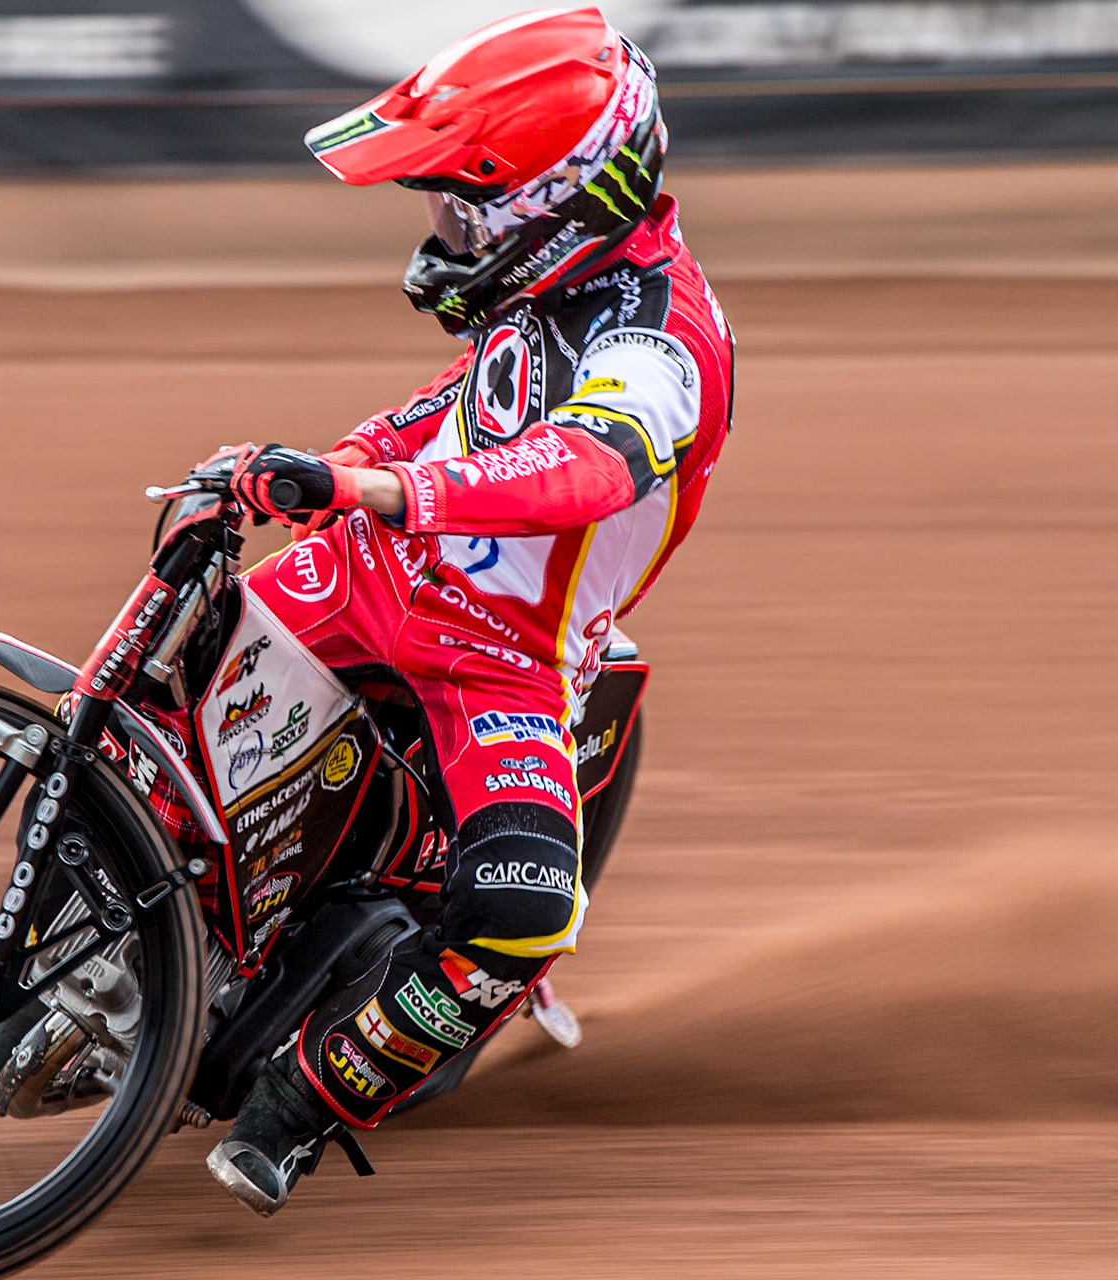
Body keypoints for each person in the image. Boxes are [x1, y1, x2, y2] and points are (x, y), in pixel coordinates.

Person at [202, 7, 734, 1215]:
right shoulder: (560, 284)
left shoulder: (665, 350)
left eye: (459, 206)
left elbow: (582, 470)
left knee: (523, 914)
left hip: (503, 662)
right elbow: (467, 397)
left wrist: (388, 486)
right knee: (172, 640)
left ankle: (301, 1106)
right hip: (369, 575)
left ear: (556, 208)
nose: (440, 226)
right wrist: (333, 462)